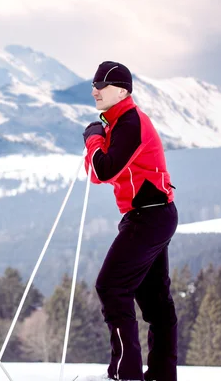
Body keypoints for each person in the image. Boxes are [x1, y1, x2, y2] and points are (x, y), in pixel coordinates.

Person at [82, 61, 178, 381]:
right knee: (155, 303)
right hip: (152, 214)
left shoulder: (130, 122)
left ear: (121, 90)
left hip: (148, 216)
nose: (94, 90)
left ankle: (126, 374)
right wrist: (97, 139)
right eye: (94, 84)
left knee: (111, 286)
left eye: (102, 85)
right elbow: (99, 175)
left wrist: (93, 139)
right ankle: (162, 375)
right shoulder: (119, 122)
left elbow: (104, 169)